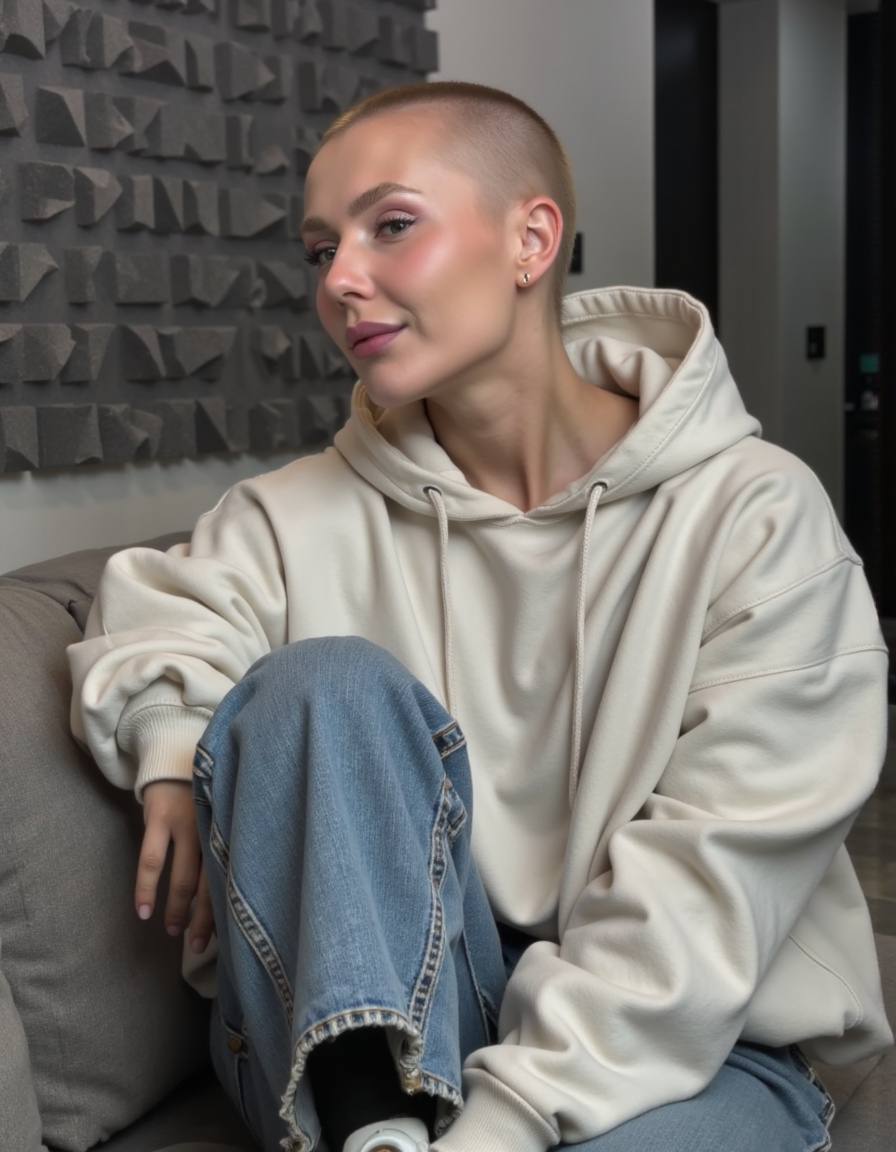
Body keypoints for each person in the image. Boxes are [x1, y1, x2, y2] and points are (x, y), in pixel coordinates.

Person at [68, 79, 892, 1152]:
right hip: (374, 1030)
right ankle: (374, 1118)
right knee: (320, 680)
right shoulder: (293, 512)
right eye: (321, 249)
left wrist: (502, 1123)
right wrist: (173, 745)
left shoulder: (753, 515)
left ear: (529, 240)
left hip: (691, 1044)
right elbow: (158, 613)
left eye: (390, 226)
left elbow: (715, 882)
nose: (340, 281)